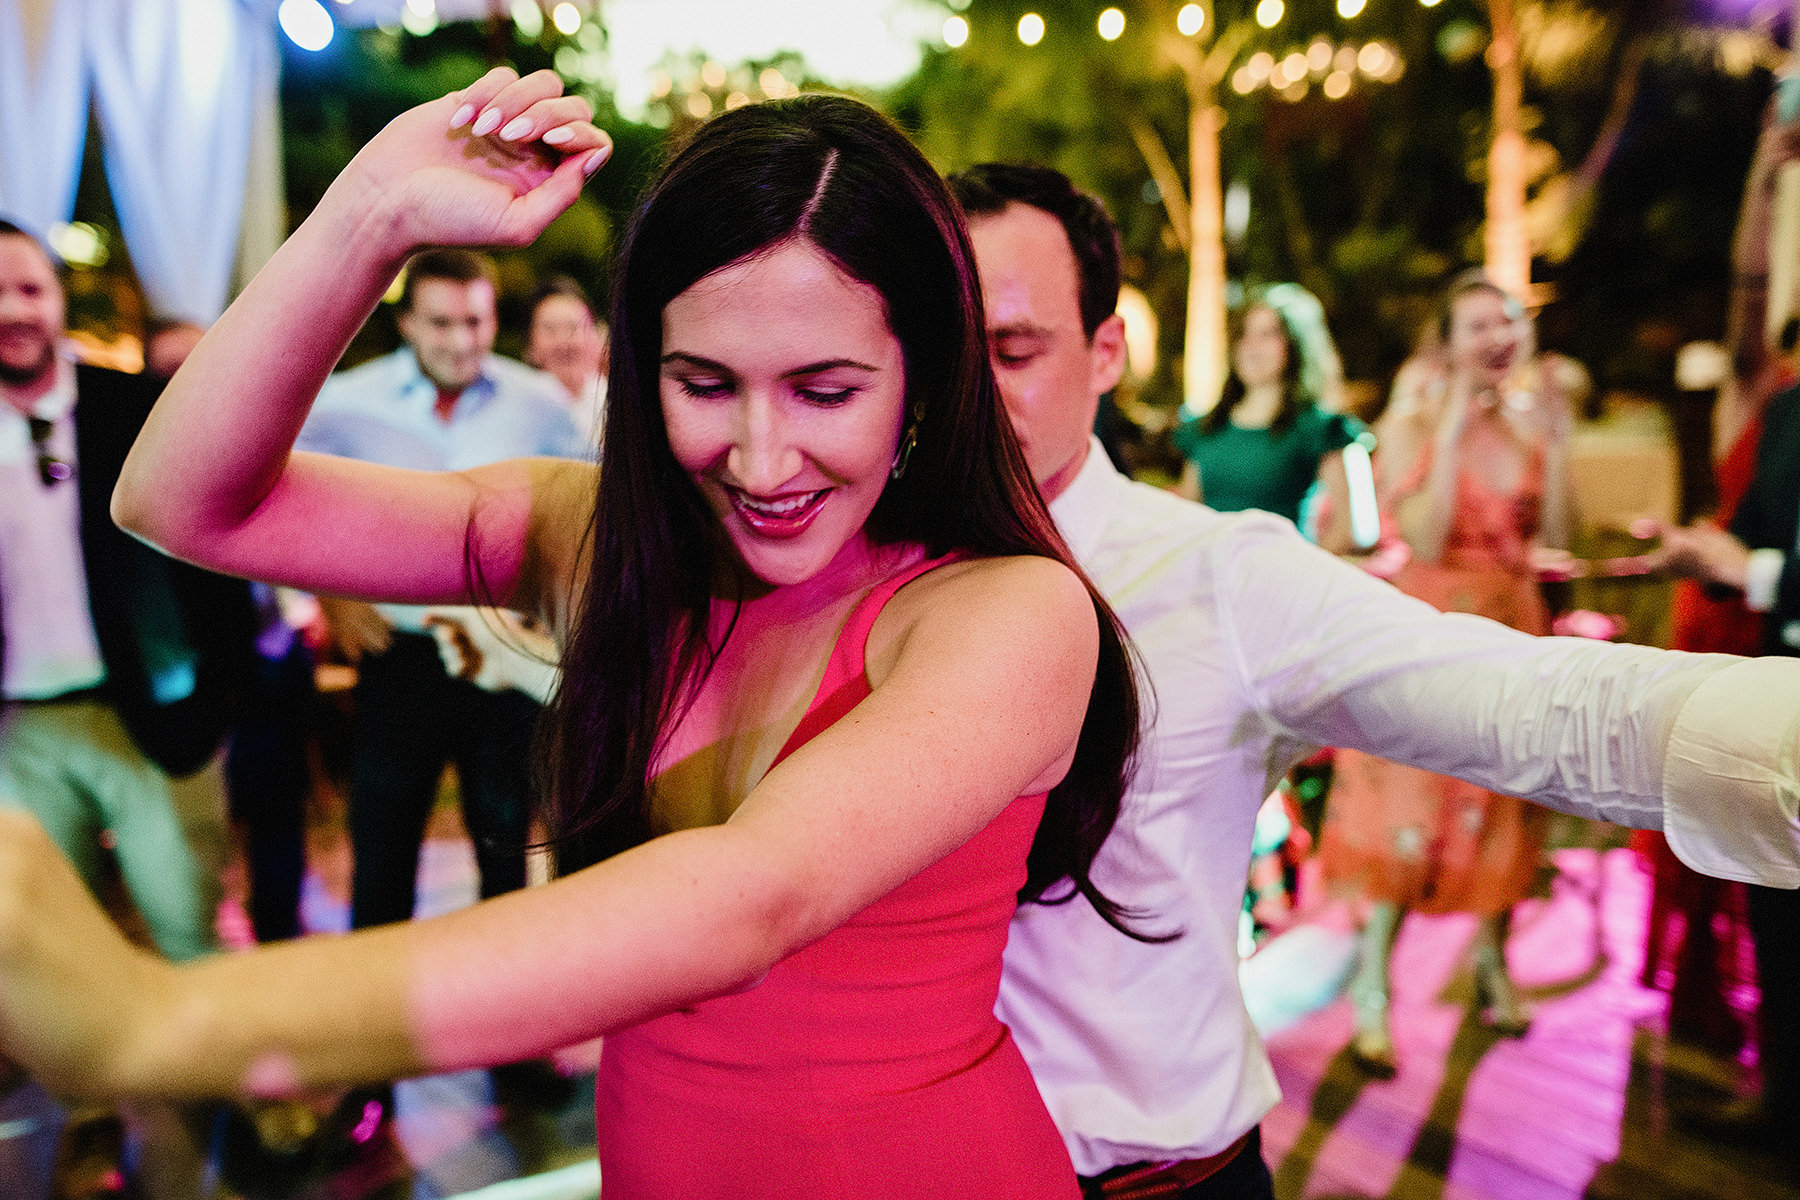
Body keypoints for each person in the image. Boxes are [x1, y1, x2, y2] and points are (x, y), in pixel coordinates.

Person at [0, 73, 1146, 1199]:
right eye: (703, 383)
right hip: (657, 1158)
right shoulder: (592, 542)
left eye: (824, 391)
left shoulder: (1008, 610)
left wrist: (159, 1021)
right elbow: (182, 501)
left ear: (922, 381)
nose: (758, 458)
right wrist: (370, 217)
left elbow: (750, 896)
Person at [948, 162, 1800, 1198]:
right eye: (945, 351)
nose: (969, 389)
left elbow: (1530, 704)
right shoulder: (846, 569)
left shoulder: (1219, 577)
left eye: (1013, 349)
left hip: (1153, 1176)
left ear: (1106, 349)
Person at [0, 218, 258, 1199]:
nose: (13, 311)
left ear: (56, 298)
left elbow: (216, 553)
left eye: (27, 288)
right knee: (40, 953)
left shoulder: (130, 407)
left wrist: (220, 692)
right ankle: (93, 1122)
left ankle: (209, 1114)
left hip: (152, 713)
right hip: (20, 727)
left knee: (186, 925)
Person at [1315, 271, 1577, 1075]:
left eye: (1506, 323)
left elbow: (1562, 532)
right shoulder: (1415, 419)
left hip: (1515, 624)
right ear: (1449, 341)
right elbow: (1423, 540)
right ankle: (1372, 994)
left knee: (1504, 804)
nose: (1497, 338)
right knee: (1413, 801)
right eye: (1477, 326)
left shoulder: (1536, 424)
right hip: (1433, 629)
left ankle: (1493, 963)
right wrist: (1458, 417)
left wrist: (1560, 446)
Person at [294, 247, 585, 956]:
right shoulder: (342, 404)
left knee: (506, 844)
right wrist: (330, 596)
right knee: (383, 845)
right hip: (400, 656)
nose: (461, 341)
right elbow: (291, 502)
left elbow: (582, 515)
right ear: (406, 323)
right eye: (442, 322)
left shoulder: (541, 405)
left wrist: (548, 613)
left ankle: (512, 1046)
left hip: (507, 655)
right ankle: (369, 1053)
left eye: (476, 322)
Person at [1648, 374, 1800, 1157]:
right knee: (1777, 897)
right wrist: (1699, 554)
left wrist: (1761, 574)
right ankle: (1784, 1095)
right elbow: (1753, 531)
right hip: (1785, 681)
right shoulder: (1785, 409)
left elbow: (1767, 565)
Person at [1171, 288, 1369, 550]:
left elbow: (1351, 531)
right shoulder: (1206, 427)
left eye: (1267, 335)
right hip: (1210, 579)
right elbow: (1189, 515)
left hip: (1282, 580)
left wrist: (1297, 577)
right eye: (1244, 335)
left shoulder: (1319, 428)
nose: (1251, 347)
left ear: (1295, 344)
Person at [524, 274, 607, 444]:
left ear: (598, 337)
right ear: (530, 347)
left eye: (573, 327)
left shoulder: (620, 405)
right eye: (550, 329)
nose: (563, 342)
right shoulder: (517, 410)